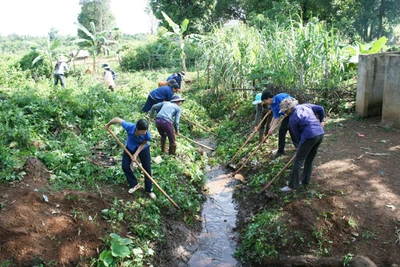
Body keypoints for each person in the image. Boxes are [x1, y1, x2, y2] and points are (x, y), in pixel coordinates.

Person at [278, 98, 325, 192]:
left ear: (290, 108)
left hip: (309, 136)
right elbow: (320, 108)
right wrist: (322, 120)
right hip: (320, 134)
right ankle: (305, 181)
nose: (285, 113)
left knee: (298, 161)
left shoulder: (292, 119)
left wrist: (301, 146)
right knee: (309, 159)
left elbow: (297, 136)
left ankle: (292, 186)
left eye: (285, 111)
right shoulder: (305, 106)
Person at [104, 117, 156, 199]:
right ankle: (134, 184)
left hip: (143, 149)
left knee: (146, 168)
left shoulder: (147, 135)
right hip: (130, 147)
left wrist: (135, 154)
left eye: (145, 131)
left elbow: (143, 144)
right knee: (125, 166)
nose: (144, 133)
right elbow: (116, 119)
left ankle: (149, 190)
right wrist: (108, 125)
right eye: (142, 132)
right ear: (137, 129)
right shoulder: (129, 126)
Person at [261, 91, 299, 158]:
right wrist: (272, 128)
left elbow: (292, 103)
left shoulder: (280, 97)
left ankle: (299, 147)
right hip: (287, 116)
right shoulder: (273, 106)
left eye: (265, 100)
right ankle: (281, 150)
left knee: (291, 128)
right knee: (282, 130)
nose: (265, 103)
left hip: (294, 112)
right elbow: (276, 118)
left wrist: (287, 112)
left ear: (269, 98)